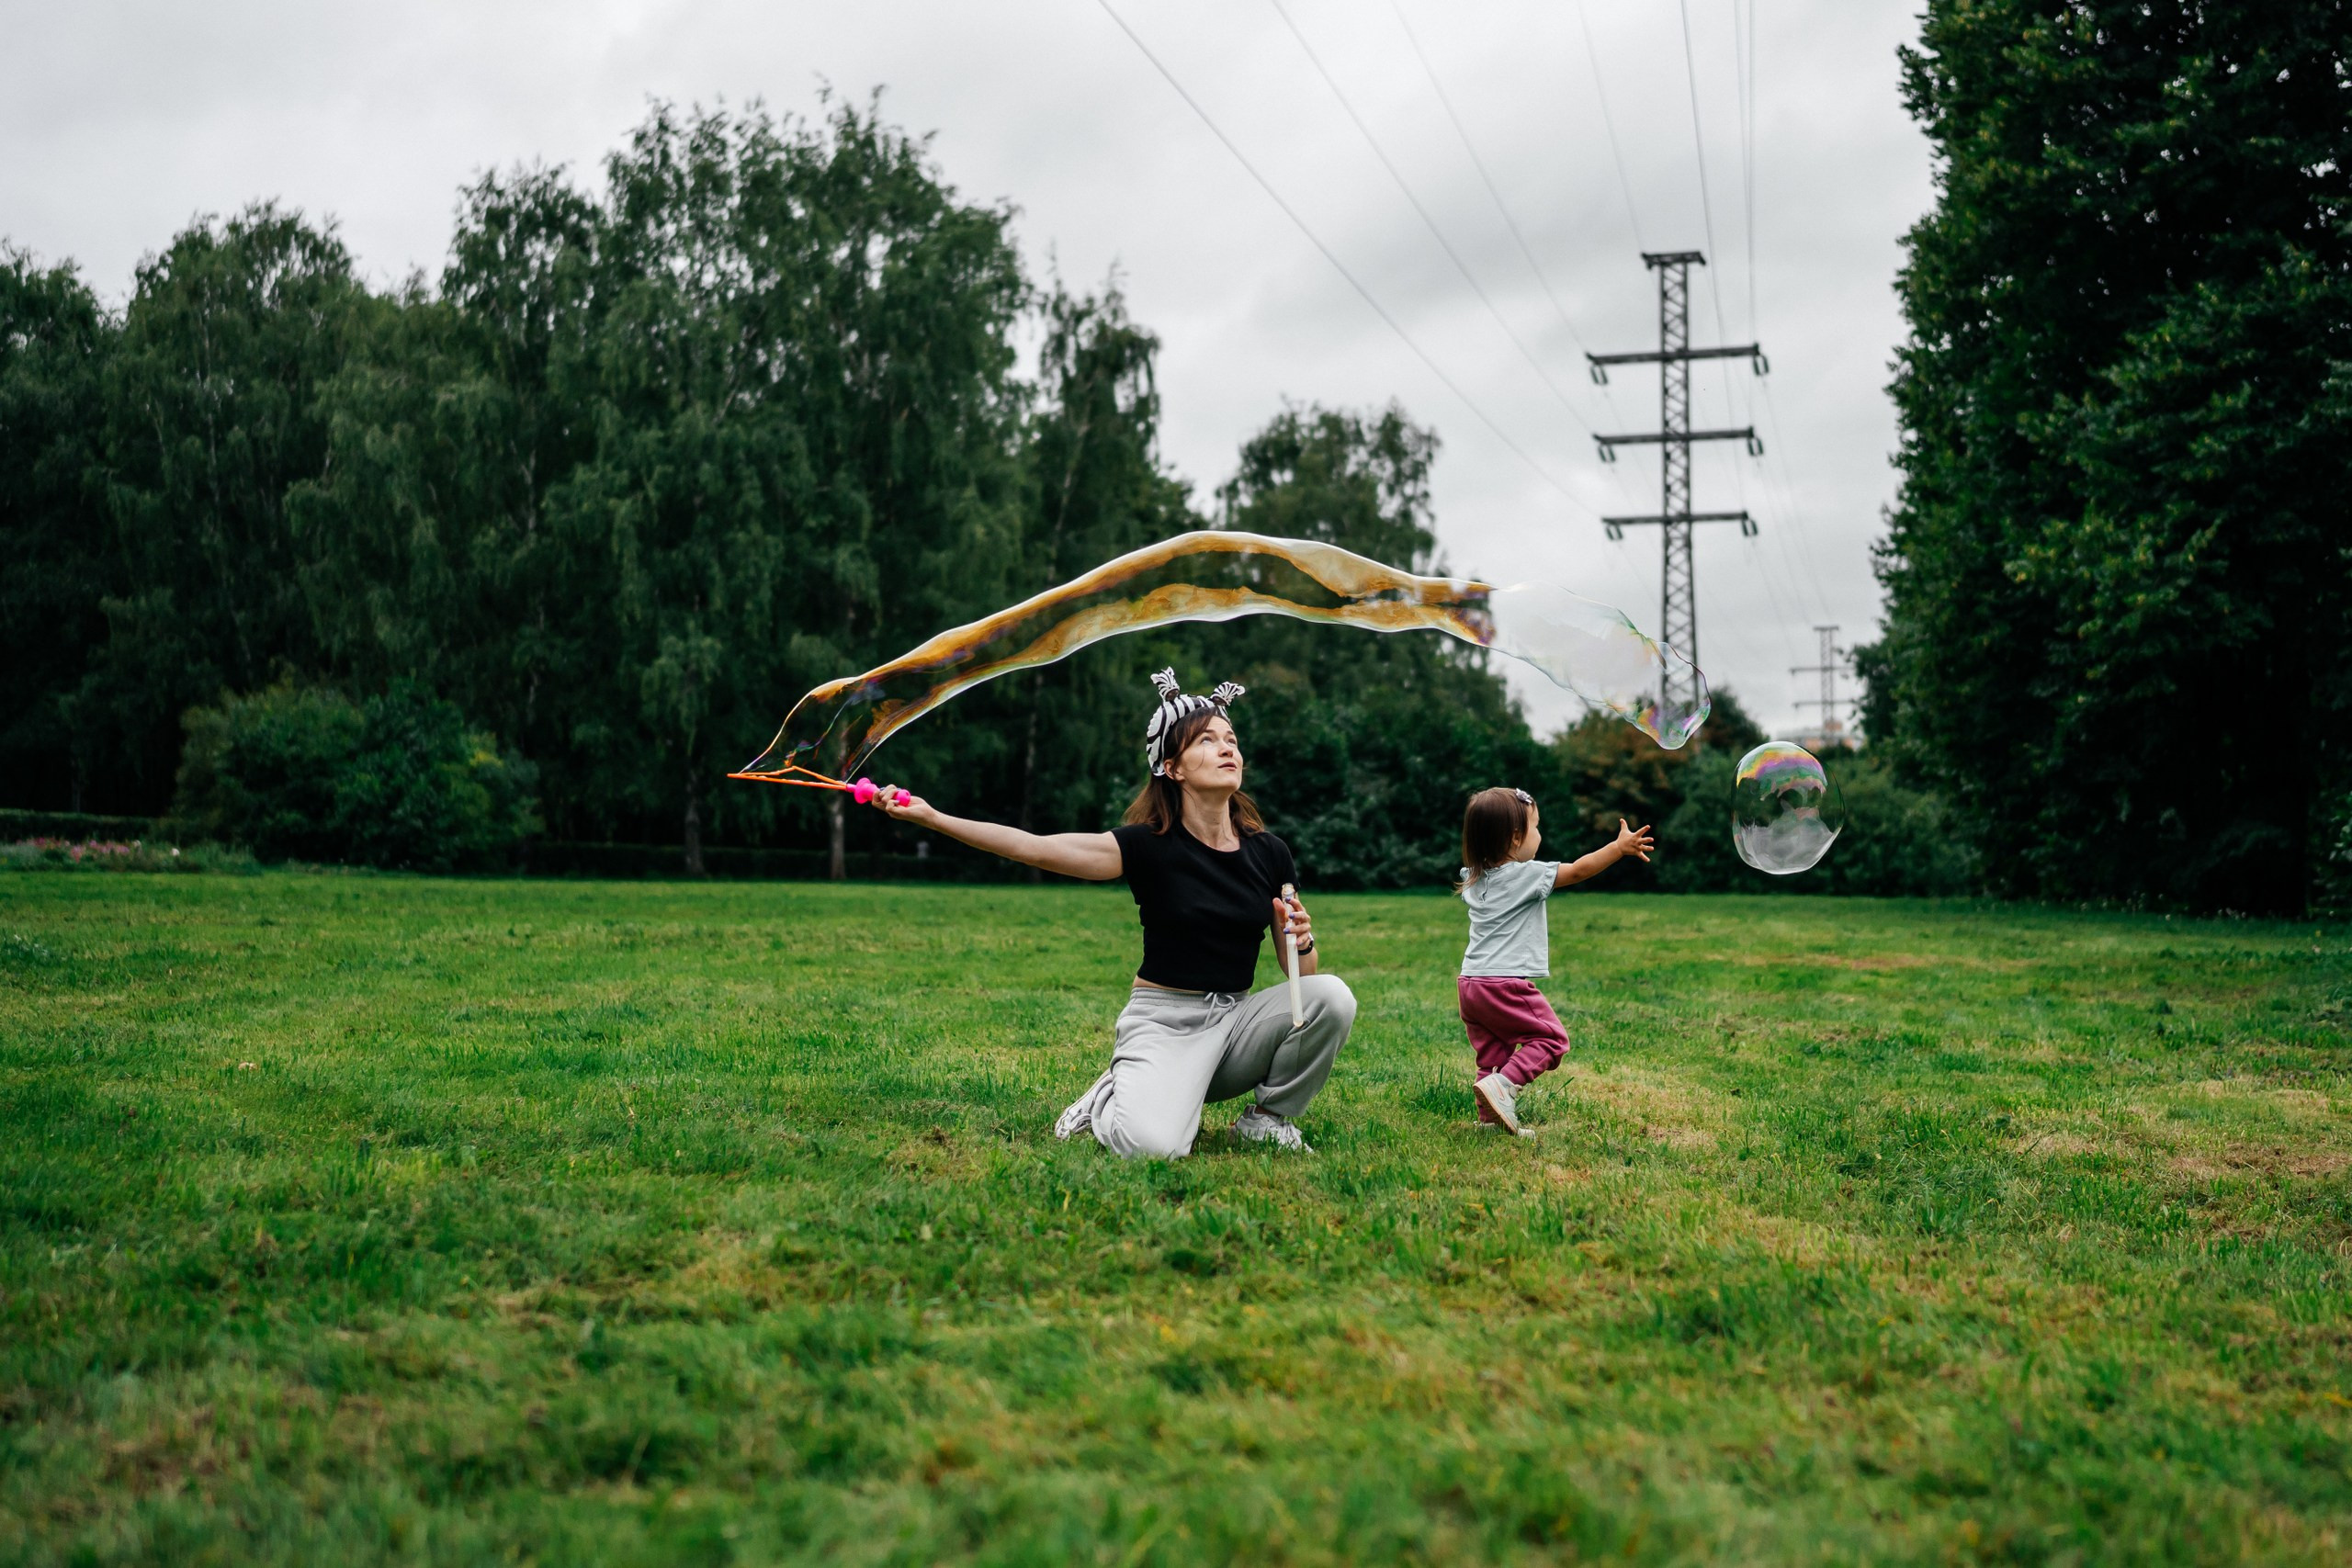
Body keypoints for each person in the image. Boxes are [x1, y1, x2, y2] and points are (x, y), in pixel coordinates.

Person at [868, 669, 1355, 1157]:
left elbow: (1300, 982)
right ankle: (1109, 1095)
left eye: (1231, 739)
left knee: (1331, 996)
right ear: (1172, 767)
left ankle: (1267, 1121)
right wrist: (933, 817)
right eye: (1207, 740)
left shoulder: (1270, 852)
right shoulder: (1146, 846)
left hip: (1234, 1022)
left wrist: (1302, 942)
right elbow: (1033, 847)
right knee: (1154, 1149)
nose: (1228, 748)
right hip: (1164, 1025)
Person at [1455, 787, 1653, 1136]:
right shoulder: (1524, 874)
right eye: (1535, 826)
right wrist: (1618, 849)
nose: (1539, 834)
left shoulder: (1474, 875)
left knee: (1493, 1056)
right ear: (1516, 839)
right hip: (1503, 982)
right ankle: (1505, 1086)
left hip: (1471, 983)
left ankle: (1489, 1121)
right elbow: (1577, 870)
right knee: (1551, 1040)